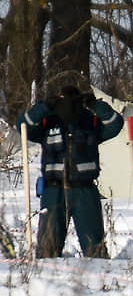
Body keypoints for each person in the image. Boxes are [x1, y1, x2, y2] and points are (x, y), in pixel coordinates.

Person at [17, 84, 124, 258]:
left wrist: (96, 105)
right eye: (62, 100)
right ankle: (43, 282)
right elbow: (22, 125)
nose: (67, 105)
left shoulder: (90, 121)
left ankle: (102, 281)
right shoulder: (48, 121)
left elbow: (115, 124)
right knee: (47, 250)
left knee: (95, 249)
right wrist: (44, 107)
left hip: (85, 191)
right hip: (54, 192)